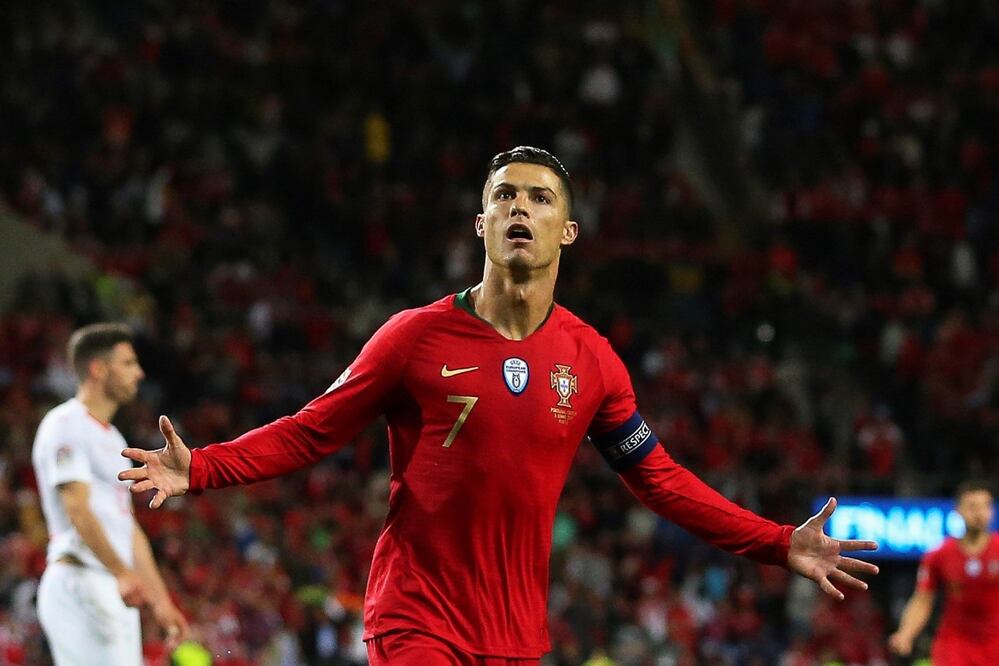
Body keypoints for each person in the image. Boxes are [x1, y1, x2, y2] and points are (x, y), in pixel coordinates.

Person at [121, 147, 878, 664]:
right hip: (416, 613)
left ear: (567, 230)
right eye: (504, 196)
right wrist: (206, 469)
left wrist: (776, 541)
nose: (520, 207)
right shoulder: (411, 338)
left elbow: (661, 481)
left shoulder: (592, 363)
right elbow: (312, 430)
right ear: (481, 224)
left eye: (539, 198)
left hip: (515, 632)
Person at [32, 323, 189, 665]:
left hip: (110, 586)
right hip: (82, 579)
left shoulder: (114, 439)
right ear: (98, 369)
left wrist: (161, 600)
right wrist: (121, 572)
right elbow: (76, 508)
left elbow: (127, 527)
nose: (139, 372)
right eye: (129, 363)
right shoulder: (66, 424)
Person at [889, 481, 999, 664]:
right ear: (958, 511)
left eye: (984, 506)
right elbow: (923, 599)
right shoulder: (939, 555)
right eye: (972, 507)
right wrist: (905, 634)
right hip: (954, 643)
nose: (979, 513)